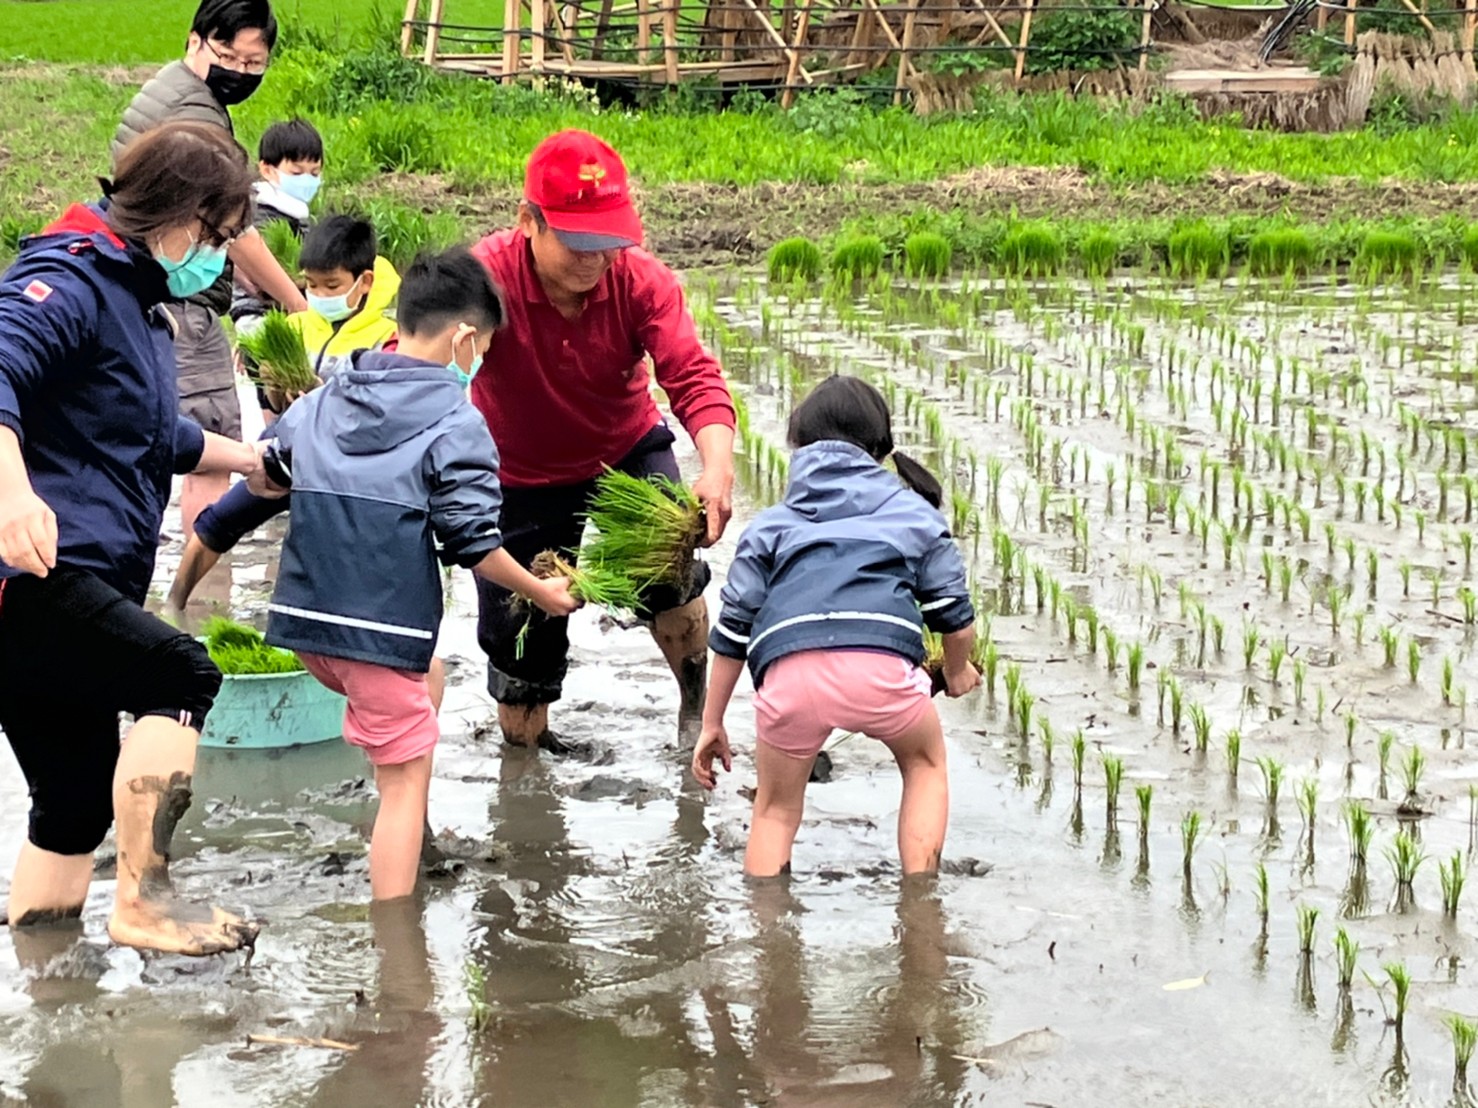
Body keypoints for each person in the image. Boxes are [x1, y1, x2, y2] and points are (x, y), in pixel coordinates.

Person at [0, 121, 269, 954]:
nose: (221, 258)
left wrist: (262, 463)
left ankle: (44, 983)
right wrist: (11, 494)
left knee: (73, 803)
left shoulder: (135, 301)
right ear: (183, 218)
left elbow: (157, 436)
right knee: (179, 670)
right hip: (36, 574)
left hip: (75, 582)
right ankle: (146, 902)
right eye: (220, 237)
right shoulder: (70, 279)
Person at [254, 247, 578, 900]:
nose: (479, 361)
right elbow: (472, 543)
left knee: (428, 675)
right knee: (404, 786)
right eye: (482, 347)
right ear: (463, 338)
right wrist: (540, 589)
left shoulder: (329, 394)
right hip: (376, 633)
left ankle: (409, 844)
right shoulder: (458, 421)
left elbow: (269, 473)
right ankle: (398, 948)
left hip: (305, 625)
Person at [469, 129, 736, 752]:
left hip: (623, 448)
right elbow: (420, 360)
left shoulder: (640, 281)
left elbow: (693, 376)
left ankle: (696, 713)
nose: (596, 259)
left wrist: (717, 466)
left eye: (608, 240)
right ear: (528, 221)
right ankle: (526, 772)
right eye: (579, 242)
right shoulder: (485, 278)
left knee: (671, 575)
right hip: (515, 472)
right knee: (521, 641)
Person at [691, 376, 981, 877]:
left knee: (775, 811)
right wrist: (956, 673)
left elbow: (733, 635)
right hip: (881, 673)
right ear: (881, 449)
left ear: (797, 447)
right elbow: (955, 618)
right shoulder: (912, 514)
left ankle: (770, 938)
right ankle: (919, 900)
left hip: (789, 678)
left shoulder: (771, 526)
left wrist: (712, 722)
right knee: (925, 765)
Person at [113, 0, 307, 538]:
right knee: (211, 442)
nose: (240, 74)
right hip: (181, 298)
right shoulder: (195, 117)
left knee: (153, 432)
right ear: (195, 41)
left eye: (254, 65)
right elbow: (235, 229)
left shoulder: (167, 88)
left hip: (144, 286)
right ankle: (202, 597)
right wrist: (296, 304)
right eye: (229, 56)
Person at [166, 215, 401, 612]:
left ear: (364, 283)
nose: (318, 294)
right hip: (288, 451)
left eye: (331, 286)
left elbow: (380, 416)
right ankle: (175, 608)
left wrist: (321, 397)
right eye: (310, 285)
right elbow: (274, 406)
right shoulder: (291, 326)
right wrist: (276, 388)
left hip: (348, 467)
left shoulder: (386, 338)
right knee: (218, 522)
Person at [230, 117, 323, 329]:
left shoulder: (298, 213)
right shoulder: (260, 214)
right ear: (267, 170)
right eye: (297, 173)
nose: (307, 180)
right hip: (257, 312)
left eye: (315, 173)